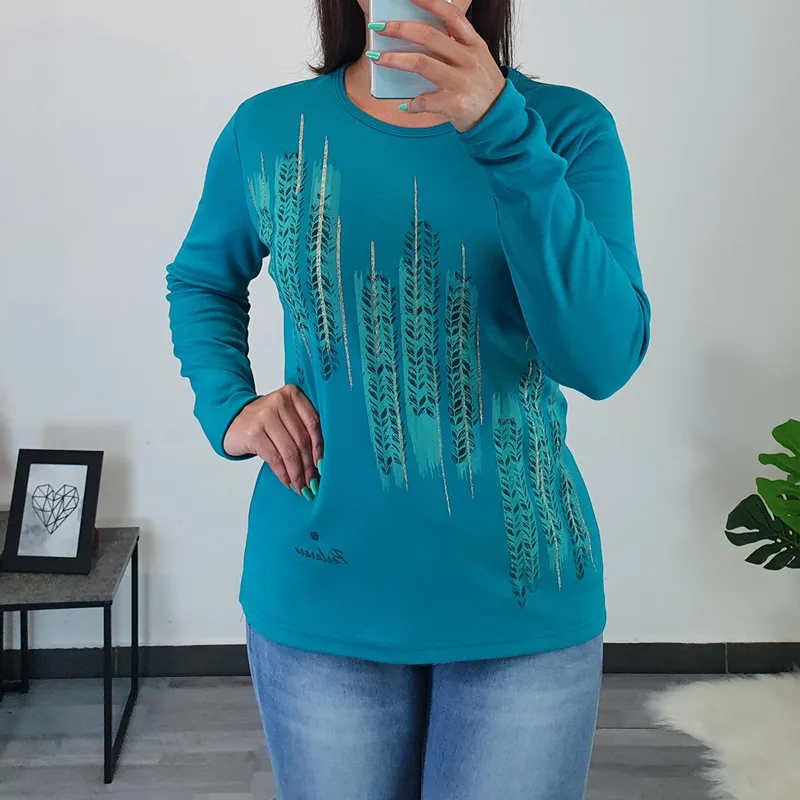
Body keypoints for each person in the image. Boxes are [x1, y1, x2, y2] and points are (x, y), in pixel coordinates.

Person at [166, 0, 650, 796]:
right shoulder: (269, 129)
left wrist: (501, 130)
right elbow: (200, 280)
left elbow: (600, 359)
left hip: (520, 603)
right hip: (324, 589)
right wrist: (230, 407)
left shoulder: (565, 128)